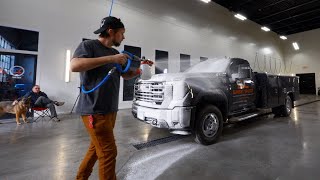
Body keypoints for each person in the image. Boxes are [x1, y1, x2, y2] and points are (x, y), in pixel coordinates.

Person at [70, 16, 141, 180]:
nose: (124, 37)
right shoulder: (89, 46)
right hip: (94, 110)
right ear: (111, 32)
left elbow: (124, 75)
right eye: (122, 33)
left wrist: (137, 71)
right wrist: (111, 59)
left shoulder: (115, 52)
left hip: (110, 109)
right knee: (109, 152)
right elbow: (74, 65)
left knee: (96, 149)